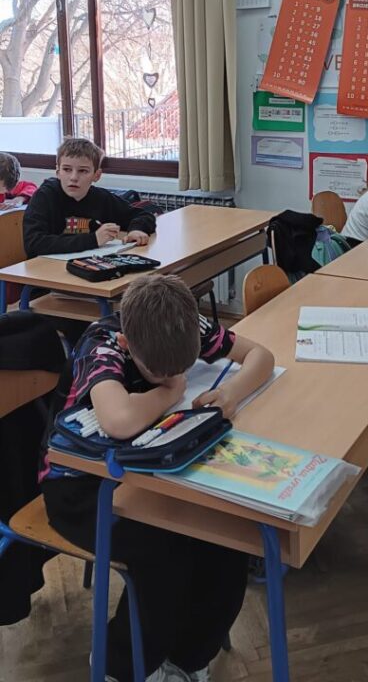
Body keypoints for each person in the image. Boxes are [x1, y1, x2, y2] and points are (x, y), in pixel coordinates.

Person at [41, 273, 275, 682]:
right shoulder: (104, 344)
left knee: (226, 538)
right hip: (80, 487)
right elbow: (119, 419)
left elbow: (261, 356)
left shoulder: (182, 324)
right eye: (159, 372)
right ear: (128, 344)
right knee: (166, 555)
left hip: (151, 472)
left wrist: (231, 393)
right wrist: (171, 390)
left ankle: (188, 659)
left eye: (181, 367)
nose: (171, 374)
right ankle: (120, 666)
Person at [23, 137, 156, 257]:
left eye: (83, 171)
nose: (73, 177)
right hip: (47, 270)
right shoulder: (44, 197)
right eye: (67, 169)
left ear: (96, 175)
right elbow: (33, 244)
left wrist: (136, 230)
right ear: (58, 172)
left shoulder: (101, 198)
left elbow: (143, 215)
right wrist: (94, 239)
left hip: (88, 265)